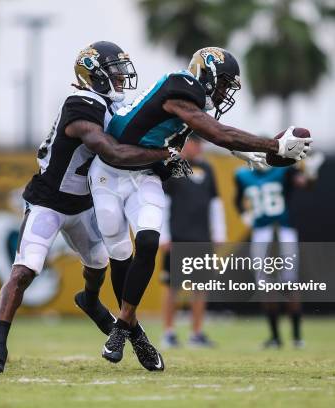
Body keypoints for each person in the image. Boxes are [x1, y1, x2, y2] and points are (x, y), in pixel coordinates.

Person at [89, 46, 312, 370]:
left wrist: (253, 157)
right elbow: (219, 133)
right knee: (118, 253)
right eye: (222, 84)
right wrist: (272, 146)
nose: (224, 93)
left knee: (148, 243)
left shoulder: (184, 113)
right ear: (205, 74)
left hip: (144, 172)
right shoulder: (180, 87)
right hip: (109, 171)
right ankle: (129, 327)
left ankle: (122, 328)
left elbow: (180, 156)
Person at [0, 41, 177, 374]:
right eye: (113, 72)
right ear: (95, 76)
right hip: (49, 201)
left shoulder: (111, 106)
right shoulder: (81, 103)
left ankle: (89, 300)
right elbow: (112, 151)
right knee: (25, 270)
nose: (120, 78)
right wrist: (164, 155)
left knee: (101, 262)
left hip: (85, 202)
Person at [234, 153, 324, 348]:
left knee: (289, 283)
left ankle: (297, 337)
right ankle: (275, 338)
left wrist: (311, 174)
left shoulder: (283, 170)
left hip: (283, 231)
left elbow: (306, 185)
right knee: (266, 286)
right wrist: (244, 216)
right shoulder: (242, 174)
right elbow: (237, 200)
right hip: (261, 233)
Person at [159, 135, 226, 348]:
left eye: (201, 143)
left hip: (202, 238)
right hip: (178, 237)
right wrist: (164, 235)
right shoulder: (173, 167)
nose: (199, 147)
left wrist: (219, 233)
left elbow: (215, 203)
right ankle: (169, 333)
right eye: (196, 142)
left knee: (200, 287)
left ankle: (196, 334)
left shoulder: (207, 169)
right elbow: (164, 203)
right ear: (185, 143)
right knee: (173, 287)